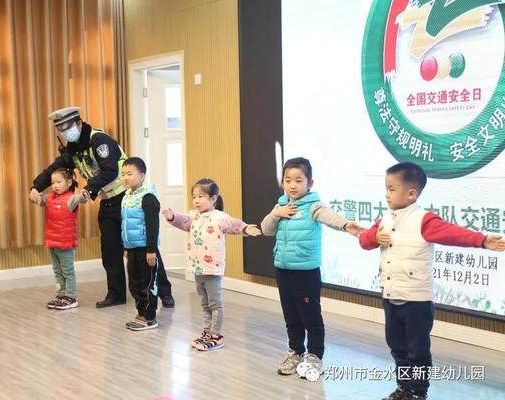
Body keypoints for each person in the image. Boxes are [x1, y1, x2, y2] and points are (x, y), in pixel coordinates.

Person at [358, 162, 505, 400]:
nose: (386, 194)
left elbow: (453, 233)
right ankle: (404, 388)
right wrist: (374, 236)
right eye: (386, 188)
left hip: (416, 301)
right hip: (390, 295)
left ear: (411, 193)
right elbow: (364, 241)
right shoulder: (384, 219)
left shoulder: (423, 220)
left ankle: (418, 392)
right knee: (397, 347)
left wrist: (482, 240)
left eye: (391, 189)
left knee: (417, 350)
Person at [29, 107, 174, 308]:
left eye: (68, 128)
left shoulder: (100, 141)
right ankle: (116, 294)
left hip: (127, 199)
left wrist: (88, 189)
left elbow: (110, 171)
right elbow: (54, 169)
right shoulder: (73, 149)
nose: (65, 133)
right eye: (61, 130)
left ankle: (164, 292)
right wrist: (36, 187)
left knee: (142, 247)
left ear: (79, 124)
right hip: (108, 202)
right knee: (110, 251)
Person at [260, 157, 364, 378]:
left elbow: (329, 217)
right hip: (283, 270)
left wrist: (346, 225)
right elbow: (266, 229)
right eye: (288, 180)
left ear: (310, 183)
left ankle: (315, 356)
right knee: (291, 316)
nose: (292, 185)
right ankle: (295, 352)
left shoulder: (313, 206)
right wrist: (276, 214)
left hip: (306, 273)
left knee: (311, 317)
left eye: (298, 180)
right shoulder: (280, 205)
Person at [163, 178, 261, 351]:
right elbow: (182, 221)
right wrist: (172, 217)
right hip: (198, 268)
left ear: (213, 199)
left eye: (201, 196)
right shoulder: (193, 216)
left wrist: (246, 228)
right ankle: (207, 332)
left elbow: (234, 224)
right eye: (194, 196)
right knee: (204, 303)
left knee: (215, 304)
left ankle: (216, 335)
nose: (196, 200)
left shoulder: (219, 217)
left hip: (213, 269)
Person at [120, 157, 166, 331]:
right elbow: (126, 224)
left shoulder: (148, 197)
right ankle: (141, 312)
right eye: (123, 174)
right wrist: (126, 247)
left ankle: (150, 317)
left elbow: (153, 225)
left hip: (146, 249)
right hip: (132, 248)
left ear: (142, 176)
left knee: (148, 284)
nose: (125, 178)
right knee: (134, 283)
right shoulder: (127, 197)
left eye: (129, 174)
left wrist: (151, 250)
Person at [33, 168, 86, 310]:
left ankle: (71, 296)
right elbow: (37, 198)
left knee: (67, 270)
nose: (55, 185)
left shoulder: (71, 198)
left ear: (69, 182)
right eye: (53, 183)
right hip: (52, 242)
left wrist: (84, 195)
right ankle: (61, 294)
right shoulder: (49, 197)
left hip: (66, 243)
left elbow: (81, 198)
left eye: (59, 182)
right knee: (57, 270)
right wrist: (34, 194)